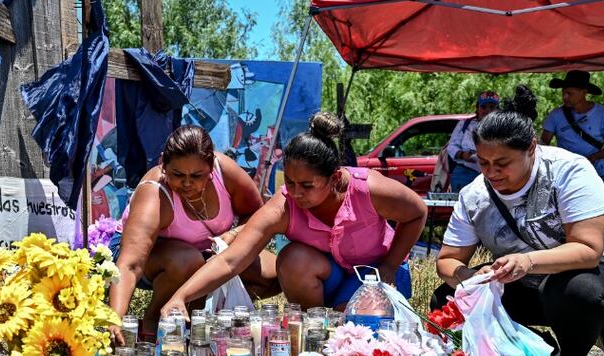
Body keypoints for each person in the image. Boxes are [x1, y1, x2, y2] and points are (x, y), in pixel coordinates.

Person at [434, 86, 604, 356]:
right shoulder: (474, 194)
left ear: (531, 148)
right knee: (449, 296)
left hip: (594, 287)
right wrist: (468, 277)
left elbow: (588, 251)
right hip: (527, 284)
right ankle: (531, 346)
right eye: (483, 163)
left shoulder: (569, 171)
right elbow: (447, 261)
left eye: (503, 162)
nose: (492, 173)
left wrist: (527, 261)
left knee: (574, 288)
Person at [161, 113, 427, 314]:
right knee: (292, 258)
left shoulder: (369, 189)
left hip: (377, 274)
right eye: (289, 182)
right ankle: (315, 325)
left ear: (334, 178)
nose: (296, 193)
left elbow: (417, 212)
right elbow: (232, 260)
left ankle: (341, 320)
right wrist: (180, 297)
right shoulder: (284, 205)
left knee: (358, 331)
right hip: (329, 276)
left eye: (307, 185)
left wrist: (390, 266)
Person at [109, 125, 279, 340]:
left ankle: (209, 312)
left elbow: (258, 218)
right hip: (154, 259)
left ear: (211, 166)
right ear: (163, 163)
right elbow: (131, 264)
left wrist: (234, 234)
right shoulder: (154, 193)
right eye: (177, 174)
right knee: (187, 260)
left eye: (197, 176)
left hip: (208, 253)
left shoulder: (225, 171)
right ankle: (153, 321)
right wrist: (115, 317)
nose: (187, 183)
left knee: (275, 273)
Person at [540, 70, 604, 177]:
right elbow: (544, 144)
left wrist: (593, 158)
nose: (565, 97)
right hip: (564, 174)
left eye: (569, 93)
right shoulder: (555, 115)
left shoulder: (603, 113)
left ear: (584, 93)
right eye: (563, 93)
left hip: (594, 173)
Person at [446, 91, 499, 192]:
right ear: (478, 108)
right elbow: (451, 146)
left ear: (497, 110)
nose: (487, 110)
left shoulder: (502, 127)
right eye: (484, 107)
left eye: (492, 107)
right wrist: (463, 154)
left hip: (492, 173)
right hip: (464, 172)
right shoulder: (465, 124)